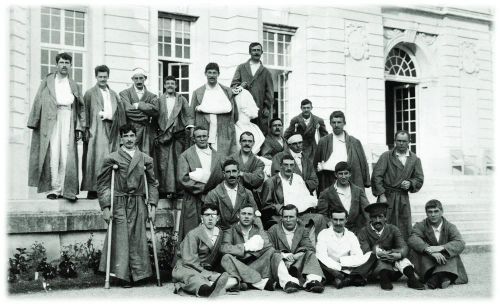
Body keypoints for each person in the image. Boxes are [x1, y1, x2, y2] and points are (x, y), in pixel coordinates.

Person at [96, 124, 159, 287]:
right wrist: (105, 207)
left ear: (136, 137)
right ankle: (124, 276)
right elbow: (103, 184)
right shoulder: (112, 158)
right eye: (126, 136)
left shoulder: (145, 158)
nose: (129, 139)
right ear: (121, 138)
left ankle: (139, 274)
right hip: (119, 202)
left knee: (137, 238)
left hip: (138, 202)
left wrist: (152, 206)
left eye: (132, 135)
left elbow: (152, 183)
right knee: (121, 238)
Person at [27, 52, 85, 201]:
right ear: (56, 64)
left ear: (70, 65)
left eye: (67, 63)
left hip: (68, 117)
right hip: (51, 118)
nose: (64, 65)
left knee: (67, 154)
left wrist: (80, 127)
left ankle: (67, 190)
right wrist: (34, 121)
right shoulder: (47, 81)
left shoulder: (73, 84)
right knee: (53, 153)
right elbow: (38, 99)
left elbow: (80, 107)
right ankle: (53, 189)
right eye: (61, 62)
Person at [220, 203, 303, 293]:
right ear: (238, 215)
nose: (246, 217)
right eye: (243, 214)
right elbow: (224, 248)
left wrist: (246, 254)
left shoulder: (259, 230)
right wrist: (245, 247)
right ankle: (259, 282)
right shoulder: (230, 230)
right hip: (239, 265)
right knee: (226, 258)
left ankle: (287, 282)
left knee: (273, 253)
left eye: (249, 214)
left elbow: (267, 245)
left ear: (254, 217)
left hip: (257, 264)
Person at [172, 203, 238, 297]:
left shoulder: (220, 233)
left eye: (213, 215)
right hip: (188, 267)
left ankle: (215, 285)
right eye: (207, 215)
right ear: (202, 218)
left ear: (218, 218)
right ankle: (208, 290)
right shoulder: (193, 234)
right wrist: (208, 274)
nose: (210, 218)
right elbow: (189, 261)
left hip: (207, 270)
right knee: (193, 278)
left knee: (233, 278)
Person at [81, 65, 126, 199]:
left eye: (105, 77)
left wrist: (110, 116)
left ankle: (109, 188)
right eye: (100, 77)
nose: (102, 79)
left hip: (111, 128)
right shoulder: (90, 93)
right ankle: (93, 189)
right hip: (96, 128)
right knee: (95, 158)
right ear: (96, 77)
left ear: (108, 77)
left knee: (111, 158)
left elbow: (119, 112)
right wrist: (85, 129)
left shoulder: (113, 94)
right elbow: (85, 112)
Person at [357, 202, 424, 291]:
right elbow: (365, 251)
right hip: (375, 269)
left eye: (380, 217)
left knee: (403, 260)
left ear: (385, 218)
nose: (377, 220)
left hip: (393, 267)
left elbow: (403, 246)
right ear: (370, 218)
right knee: (378, 261)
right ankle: (384, 280)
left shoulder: (393, 229)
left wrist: (398, 255)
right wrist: (380, 254)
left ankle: (412, 279)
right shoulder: (364, 231)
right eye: (374, 217)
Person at [371, 130, 424, 241]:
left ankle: (401, 251)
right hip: (387, 196)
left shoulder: (414, 159)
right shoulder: (386, 156)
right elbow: (377, 175)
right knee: (382, 224)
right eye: (399, 141)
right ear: (395, 141)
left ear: (409, 141)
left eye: (404, 141)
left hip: (402, 198)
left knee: (403, 226)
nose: (401, 143)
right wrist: (381, 194)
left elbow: (419, 179)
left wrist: (410, 183)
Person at [261, 154, 327, 238]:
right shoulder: (271, 182)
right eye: (286, 165)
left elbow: (305, 196)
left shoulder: (298, 178)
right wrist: (281, 209)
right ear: (280, 165)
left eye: (291, 165)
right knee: (293, 223)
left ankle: (317, 248)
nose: (289, 168)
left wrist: (313, 203)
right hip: (282, 216)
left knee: (319, 218)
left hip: (300, 214)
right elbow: (266, 206)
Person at [408, 199, 468, 289]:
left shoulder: (450, 226)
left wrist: (441, 248)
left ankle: (435, 277)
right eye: (430, 212)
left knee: (452, 252)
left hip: (444, 259)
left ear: (442, 212)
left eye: (436, 211)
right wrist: (429, 250)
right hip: (428, 259)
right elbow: (412, 239)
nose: (433, 215)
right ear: (426, 213)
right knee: (415, 250)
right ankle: (443, 276)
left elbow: (460, 243)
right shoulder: (420, 225)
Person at [177, 126, 224, 240]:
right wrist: (202, 189)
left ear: (208, 137)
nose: (202, 139)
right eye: (199, 137)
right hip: (193, 199)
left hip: (213, 198)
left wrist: (212, 192)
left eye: (204, 136)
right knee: (191, 231)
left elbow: (222, 176)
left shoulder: (218, 156)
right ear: (193, 139)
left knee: (212, 231)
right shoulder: (186, 155)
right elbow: (183, 178)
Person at [152, 75, 194, 199]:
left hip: (177, 136)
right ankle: (164, 190)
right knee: (163, 164)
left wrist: (190, 127)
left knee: (177, 163)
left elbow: (188, 115)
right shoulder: (159, 100)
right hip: (163, 137)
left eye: (172, 83)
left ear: (176, 86)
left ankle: (177, 190)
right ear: (164, 85)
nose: (170, 85)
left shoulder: (182, 100)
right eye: (168, 83)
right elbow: (154, 116)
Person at [267, 204, 325, 293]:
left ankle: (313, 281)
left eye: (291, 217)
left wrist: (297, 255)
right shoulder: (273, 230)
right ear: (281, 218)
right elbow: (268, 249)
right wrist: (283, 256)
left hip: (297, 265)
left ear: (297, 218)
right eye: (285, 217)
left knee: (310, 254)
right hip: (281, 266)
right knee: (275, 256)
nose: (288, 220)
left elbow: (309, 247)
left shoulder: (302, 229)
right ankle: (288, 282)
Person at [314, 110, 370, 194]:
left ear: (344, 123)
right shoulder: (323, 141)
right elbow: (315, 164)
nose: (336, 125)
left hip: (351, 180)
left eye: (339, 122)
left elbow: (363, 163)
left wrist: (366, 181)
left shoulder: (354, 142)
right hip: (330, 181)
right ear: (330, 124)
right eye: (334, 122)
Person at [315, 208, 372, 289]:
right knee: (317, 258)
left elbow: (358, 256)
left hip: (348, 267)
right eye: (335, 220)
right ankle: (345, 278)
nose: (338, 223)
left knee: (371, 255)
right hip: (330, 269)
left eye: (341, 220)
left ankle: (346, 279)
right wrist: (338, 268)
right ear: (331, 219)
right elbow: (322, 256)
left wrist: (341, 261)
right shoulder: (324, 233)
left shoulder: (351, 235)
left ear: (346, 220)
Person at [191, 62, 238, 156]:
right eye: (209, 72)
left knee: (222, 158)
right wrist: (192, 129)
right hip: (204, 130)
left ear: (218, 74)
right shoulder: (198, 92)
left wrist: (229, 128)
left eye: (214, 73)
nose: (212, 75)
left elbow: (234, 113)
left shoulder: (227, 91)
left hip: (223, 131)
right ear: (205, 74)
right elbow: (191, 114)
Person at [204, 158, 263, 230]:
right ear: (223, 174)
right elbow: (208, 220)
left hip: (242, 232)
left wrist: (262, 237)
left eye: (234, 171)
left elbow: (256, 217)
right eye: (228, 172)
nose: (231, 174)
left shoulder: (247, 193)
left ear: (238, 173)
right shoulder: (213, 194)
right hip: (221, 233)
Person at [231, 42, 274, 135]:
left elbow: (270, 93)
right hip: (243, 110)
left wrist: (267, 107)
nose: (256, 52)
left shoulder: (266, 72)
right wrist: (240, 86)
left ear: (262, 52)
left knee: (260, 134)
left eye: (258, 50)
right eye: (254, 50)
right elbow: (233, 86)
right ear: (250, 52)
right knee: (243, 134)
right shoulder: (241, 68)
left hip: (259, 110)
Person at [317, 161, 370, 235]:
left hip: (355, 230)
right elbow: (322, 214)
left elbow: (366, 211)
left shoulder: (358, 191)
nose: (343, 176)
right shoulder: (326, 193)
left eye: (346, 173)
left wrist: (368, 228)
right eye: (340, 174)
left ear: (350, 174)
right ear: (335, 174)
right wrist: (330, 224)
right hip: (335, 230)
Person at [120, 68, 158, 156]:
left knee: (145, 156)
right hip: (130, 130)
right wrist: (146, 115)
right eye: (136, 78)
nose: (139, 81)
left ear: (145, 79)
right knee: (130, 155)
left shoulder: (152, 96)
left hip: (146, 132)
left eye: (141, 78)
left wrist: (139, 105)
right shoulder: (125, 94)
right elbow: (128, 110)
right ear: (132, 79)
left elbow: (155, 110)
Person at [229, 132, 266, 200]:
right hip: (231, 195)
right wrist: (249, 176)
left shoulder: (259, 163)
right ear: (240, 142)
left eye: (250, 141)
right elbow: (228, 178)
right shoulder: (230, 159)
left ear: (253, 143)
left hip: (250, 197)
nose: (247, 144)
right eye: (244, 141)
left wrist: (241, 173)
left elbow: (257, 180)